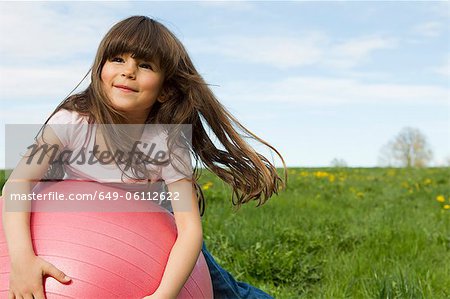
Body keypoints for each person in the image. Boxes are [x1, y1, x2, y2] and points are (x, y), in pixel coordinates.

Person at [1, 16, 286, 299]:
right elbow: (17, 184)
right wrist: (22, 259)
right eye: (117, 59)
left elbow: (189, 230)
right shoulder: (71, 121)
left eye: (145, 65)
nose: (129, 71)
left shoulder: (167, 141)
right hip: (80, 224)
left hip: (156, 231)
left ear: (165, 90)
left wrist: (163, 295)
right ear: (99, 71)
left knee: (228, 293)